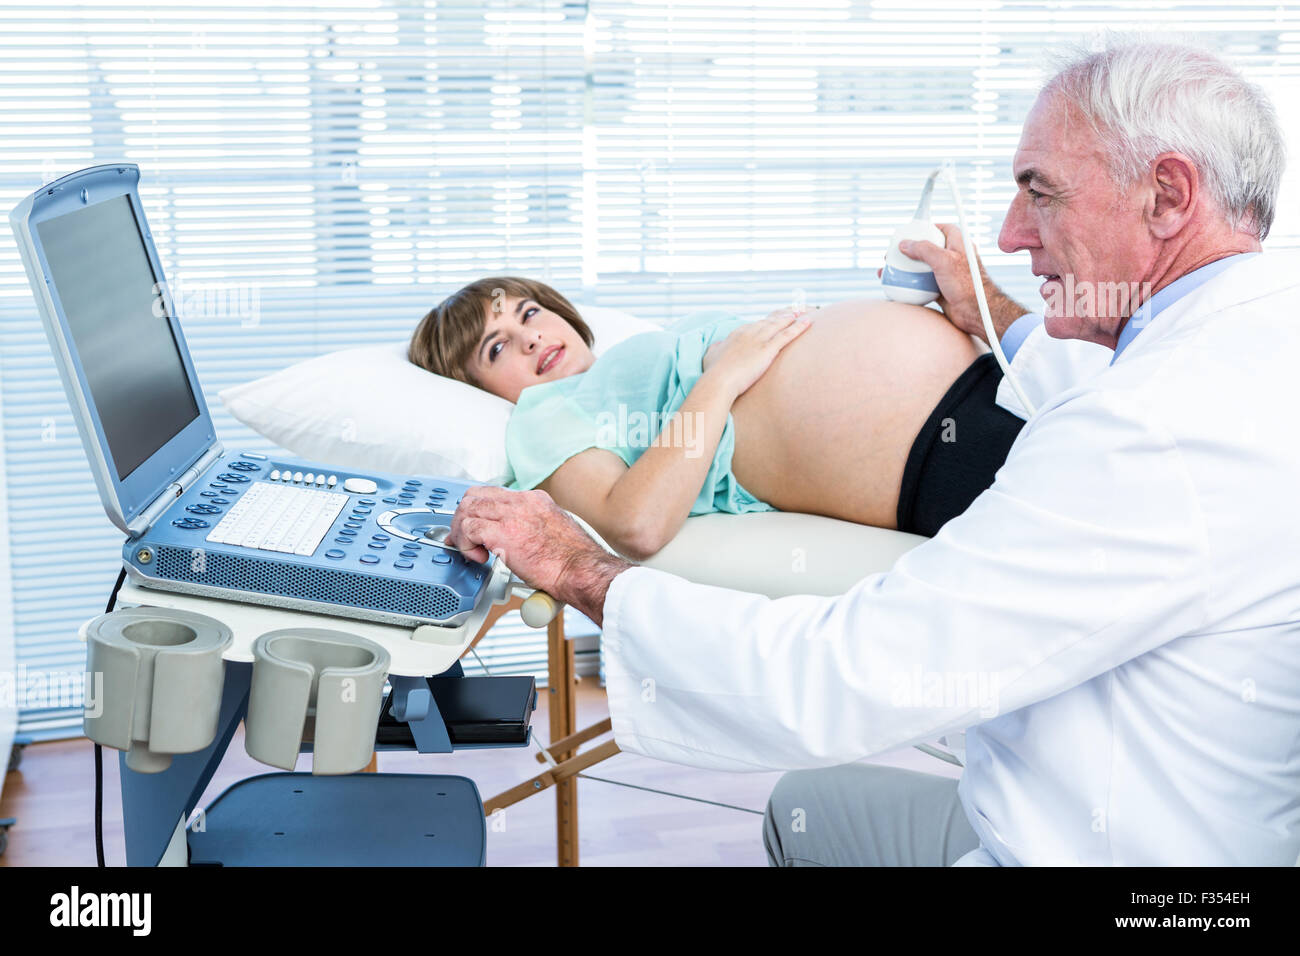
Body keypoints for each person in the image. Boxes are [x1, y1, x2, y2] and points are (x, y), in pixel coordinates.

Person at [444, 38, 1300, 865]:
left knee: (806, 814)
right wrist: (991, 314)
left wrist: (578, 569)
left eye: (1041, 193)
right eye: (493, 348)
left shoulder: (1141, 437)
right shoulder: (1236, 347)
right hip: (1163, 820)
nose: (1008, 234)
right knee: (814, 808)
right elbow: (1097, 384)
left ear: (1168, 196)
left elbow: (846, 674)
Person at [409, 280, 1042, 558]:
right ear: (476, 387)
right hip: (935, 455)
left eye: (527, 313)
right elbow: (636, 523)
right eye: (495, 349)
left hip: (1004, 384)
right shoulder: (547, 415)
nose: (526, 338)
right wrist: (723, 376)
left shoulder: (643, 348)